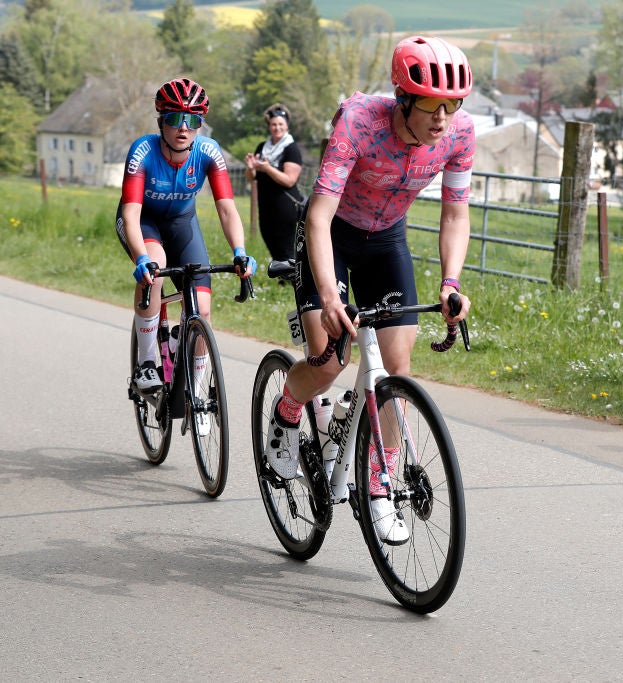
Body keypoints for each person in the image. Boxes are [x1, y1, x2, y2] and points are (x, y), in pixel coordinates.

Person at [262, 36, 474, 544]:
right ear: (404, 99)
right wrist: (331, 299)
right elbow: (317, 215)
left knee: (396, 368)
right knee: (329, 359)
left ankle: (379, 486)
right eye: (431, 105)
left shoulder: (460, 134)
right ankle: (288, 409)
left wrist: (450, 283)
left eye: (453, 105)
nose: (443, 118)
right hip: (330, 232)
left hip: (386, 240)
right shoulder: (359, 121)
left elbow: (454, 212)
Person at [116, 78, 255, 411]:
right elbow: (131, 214)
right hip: (143, 222)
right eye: (175, 118)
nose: (183, 128)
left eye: (192, 120)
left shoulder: (209, 152)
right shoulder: (143, 151)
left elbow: (226, 208)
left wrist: (239, 251)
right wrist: (141, 259)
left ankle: (193, 380)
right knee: (156, 269)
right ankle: (147, 364)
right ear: (161, 120)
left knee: (202, 309)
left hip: (182, 225)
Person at [245, 103, 304, 262]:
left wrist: (268, 168)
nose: (277, 127)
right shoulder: (262, 147)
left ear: (286, 126)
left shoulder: (291, 149)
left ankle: (293, 281)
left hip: (285, 208)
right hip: (265, 206)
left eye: (280, 124)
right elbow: (251, 177)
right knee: (272, 245)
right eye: (273, 124)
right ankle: (282, 279)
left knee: (287, 249)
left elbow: (289, 180)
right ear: (269, 126)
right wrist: (251, 168)